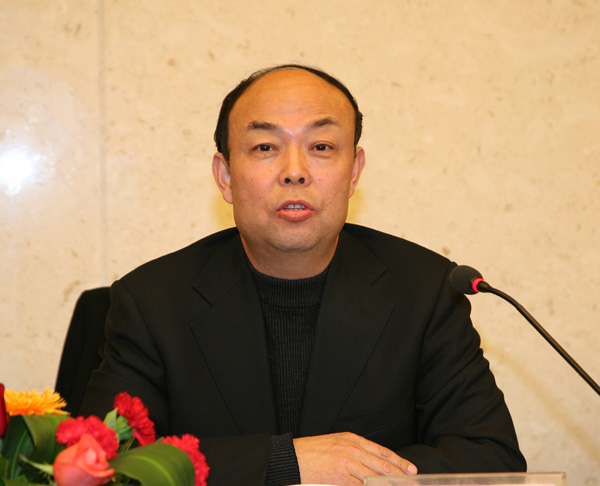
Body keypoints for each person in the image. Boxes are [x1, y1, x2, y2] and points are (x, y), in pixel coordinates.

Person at [80, 64, 526, 485]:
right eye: (265, 148)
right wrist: (283, 462)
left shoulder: (425, 291)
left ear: (354, 172)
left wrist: (358, 473)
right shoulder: (153, 302)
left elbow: (492, 459)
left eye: (322, 147)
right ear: (225, 176)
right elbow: (102, 463)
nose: (294, 172)